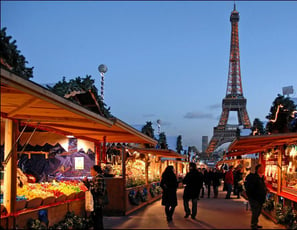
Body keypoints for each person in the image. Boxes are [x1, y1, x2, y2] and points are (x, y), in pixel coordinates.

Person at [83, 165, 107, 229]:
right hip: (96, 202)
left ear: (95, 171)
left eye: (91, 170)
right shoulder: (96, 177)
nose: (90, 171)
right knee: (96, 219)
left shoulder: (99, 177)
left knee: (97, 219)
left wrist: (88, 185)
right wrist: (86, 182)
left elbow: (98, 190)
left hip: (97, 202)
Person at [244, 164, 267, 230]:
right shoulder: (254, 178)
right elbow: (251, 188)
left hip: (260, 198)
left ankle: (255, 223)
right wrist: (252, 197)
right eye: (262, 168)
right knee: (255, 211)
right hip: (255, 198)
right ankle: (253, 224)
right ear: (258, 169)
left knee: (258, 211)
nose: (263, 169)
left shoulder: (261, 177)